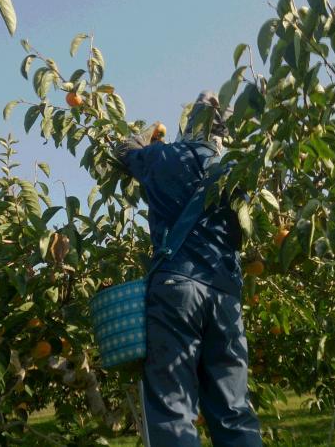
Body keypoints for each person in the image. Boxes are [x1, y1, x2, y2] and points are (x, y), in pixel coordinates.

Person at [113, 91, 263, 447]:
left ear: (187, 125)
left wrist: (152, 133)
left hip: (177, 286)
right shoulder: (238, 171)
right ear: (223, 133)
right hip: (225, 294)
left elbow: (123, 149)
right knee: (234, 410)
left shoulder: (164, 156)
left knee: (172, 408)